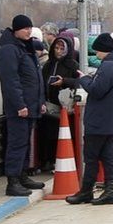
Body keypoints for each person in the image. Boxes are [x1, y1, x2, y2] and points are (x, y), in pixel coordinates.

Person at [66, 33, 113, 205]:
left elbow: (96, 90)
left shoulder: (109, 66)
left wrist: (84, 79)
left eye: (97, 51)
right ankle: (110, 191)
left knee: (92, 157)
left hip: (98, 119)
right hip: (111, 118)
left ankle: (86, 191)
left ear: (102, 50)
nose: (96, 55)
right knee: (108, 156)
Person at [0, 15, 47, 196]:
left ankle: (23, 175)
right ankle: (13, 181)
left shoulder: (27, 48)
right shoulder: (9, 50)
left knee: (25, 143)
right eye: (25, 28)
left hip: (31, 105)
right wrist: (19, 104)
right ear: (16, 29)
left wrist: (40, 102)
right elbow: (10, 81)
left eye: (30, 28)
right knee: (17, 143)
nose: (29, 31)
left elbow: (35, 79)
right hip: (19, 107)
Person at [39, 35, 79, 172]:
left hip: (64, 105)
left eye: (62, 48)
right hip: (49, 105)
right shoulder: (48, 65)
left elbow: (78, 82)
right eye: (56, 48)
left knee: (63, 134)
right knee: (47, 134)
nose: (59, 51)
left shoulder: (72, 65)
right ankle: (47, 160)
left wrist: (64, 81)